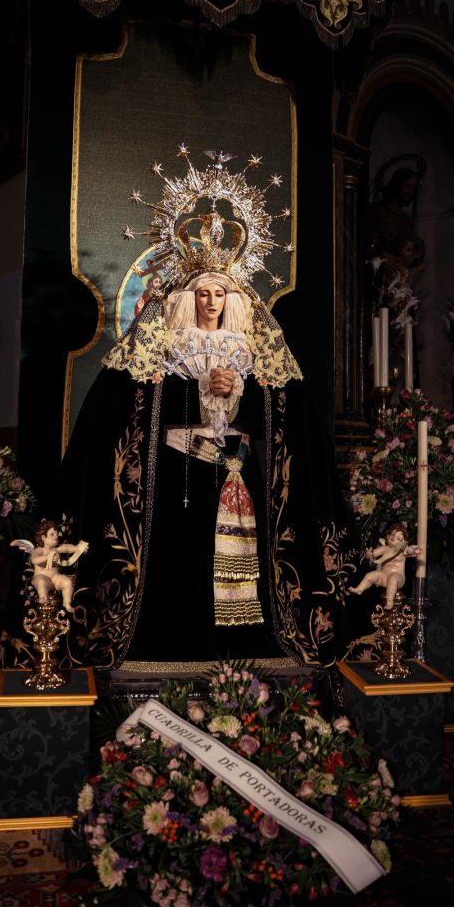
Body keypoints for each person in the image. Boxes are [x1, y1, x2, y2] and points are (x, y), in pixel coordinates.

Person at [54, 152, 367, 671]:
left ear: (234, 298)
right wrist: (195, 388)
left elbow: (291, 421)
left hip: (236, 475)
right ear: (186, 297)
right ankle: (168, 641)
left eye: (221, 292)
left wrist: (243, 394)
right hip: (174, 480)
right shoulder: (156, 346)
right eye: (202, 291)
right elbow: (124, 414)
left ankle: (241, 653)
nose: (212, 300)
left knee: (243, 569)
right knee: (177, 566)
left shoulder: (255, 350)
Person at [11, 520, 89, 613]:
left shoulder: (57, 549)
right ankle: (43, 598)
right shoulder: (40, 550)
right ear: (43, 537)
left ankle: (67, 603)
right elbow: (34, 560)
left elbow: (67, 548)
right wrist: (46, 558)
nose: (56, 536)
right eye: (52, 534)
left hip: (55, 579)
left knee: (67, 582)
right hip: (42, 578)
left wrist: (79, 548)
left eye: (56, 533)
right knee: (41, 582)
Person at [349, 522, 421, 610]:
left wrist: (412, 550)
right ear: (388, 536)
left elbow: (410, 551)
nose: (394, 538)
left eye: (398, 538)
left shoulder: (402, 551)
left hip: (398, 578)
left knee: (393, 578)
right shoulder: (384, 548)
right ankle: (360, 589)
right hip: (384, 577)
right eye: (393, 535)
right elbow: (373, 554)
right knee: (370, 575)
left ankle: (390, 601)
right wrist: (368, 554)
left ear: (403, 542)